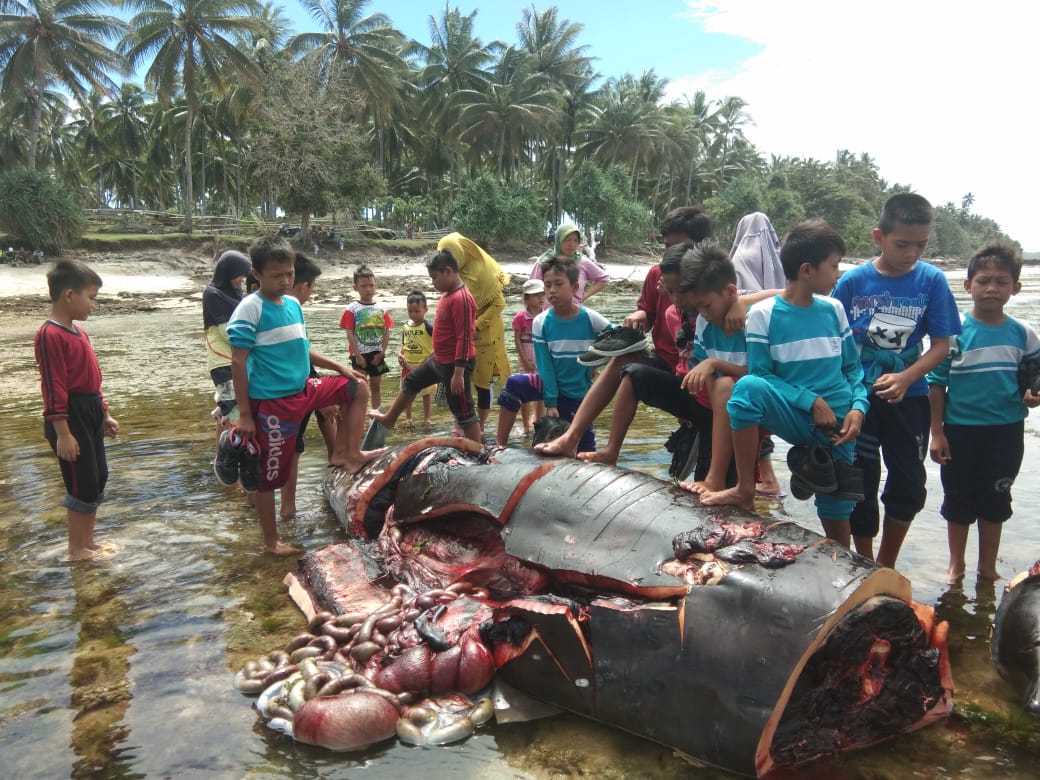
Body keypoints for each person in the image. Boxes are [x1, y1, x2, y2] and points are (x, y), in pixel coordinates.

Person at [698, 219, 868, 550]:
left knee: (835, 510)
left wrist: (859, 410)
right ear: (807, 269)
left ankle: (844, 573)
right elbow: (762, 374)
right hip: (795, 413)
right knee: (746, 390)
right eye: (833, 266)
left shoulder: (834, 310)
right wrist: (809, 400)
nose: (838, 275)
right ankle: (746, 487)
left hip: (841, 420)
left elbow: (853, 370)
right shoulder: (763, 315)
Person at [228, 236, 386, 554]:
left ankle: (349, 454)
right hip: (274, 403)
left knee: (358, 387)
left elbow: (303, 348)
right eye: (277, 275)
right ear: (257, 274)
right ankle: (271, 540)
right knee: (271, 474)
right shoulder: (250, 308)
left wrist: (341, 368)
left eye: (289, 274)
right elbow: (238, 361)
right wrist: (244, 414)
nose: (285, 280)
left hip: (305, 389)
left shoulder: (292, 305)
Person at [832, 193, 961, 568]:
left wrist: (906, 377)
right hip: (860, 397)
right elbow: (835, 338)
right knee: (861, 477)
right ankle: (864, 559)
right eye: (902, 244)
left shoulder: (931, 281)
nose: (912, 253)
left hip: (911, 395)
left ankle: (887, 563)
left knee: (907, 481)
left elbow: (941, 346)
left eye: (921, 245)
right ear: (879, 236)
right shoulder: (854, 282)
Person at [534, 206, 712, 459]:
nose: (670, 255)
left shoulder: (711, 281)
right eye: (666, 247)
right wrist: (641, 316)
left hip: (701, 372)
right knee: (623, 361)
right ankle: (578, 440)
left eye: (677, 247)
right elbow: (647, 314)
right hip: (668, 362)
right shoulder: (656, 274)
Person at [927, 243, 1040, 582]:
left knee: (996, 499)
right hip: (959, 430)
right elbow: (936, 384)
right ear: (968, 286)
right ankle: (956, 564)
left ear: (1015, 288)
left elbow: (1032, 376)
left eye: (1002, 282)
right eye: (984, 280)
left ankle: (987, 567)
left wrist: (1034, 395)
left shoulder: (1024, 334)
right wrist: (937, 432)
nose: (992, 288)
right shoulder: (952, 334)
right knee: (957, 498)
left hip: (1005, 432)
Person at [35, 259, 120, 560]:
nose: (93, 305)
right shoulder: (50, 334)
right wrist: (63, 433)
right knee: (80, 482)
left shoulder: (79, 333)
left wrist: (105, 412)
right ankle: (76, 549)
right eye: (91, 297)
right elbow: (54, 385)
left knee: (98, 478)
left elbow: (92, 379)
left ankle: (89, 542)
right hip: (68, 418)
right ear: (70, 295)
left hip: (90, 411)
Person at [496, 257, 611, 451]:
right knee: (514, 384)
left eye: (558, 284)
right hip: (550, 385)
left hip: (577, 392)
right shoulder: (541, 322)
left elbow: (619, 341)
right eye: (547, 285)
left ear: (575, 287)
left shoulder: (591, 319)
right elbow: (545, 366)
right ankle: (499, 446)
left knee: (585, 449)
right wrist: (550, 402)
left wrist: (594, 365)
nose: (551, 290)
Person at [370, 249, 481, 443]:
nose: (433, 282)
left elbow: (464, 337)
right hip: (438, 359)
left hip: (455, 364)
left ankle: (479, 453)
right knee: (411, 381)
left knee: (463, 410)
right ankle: (390, 419)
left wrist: (458, 373)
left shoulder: (461, 299)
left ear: (448, 271)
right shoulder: (448, 293)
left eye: (434, 277)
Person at [730, 211, 787, 495]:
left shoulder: (738, 258)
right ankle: (765, 480)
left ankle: (756, 482)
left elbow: (736, 299)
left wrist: (743, 302)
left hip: (745, 342)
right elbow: (786, 295)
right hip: (773, 344)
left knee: (749, 410)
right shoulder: (775, 259)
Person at [279, 253, 339, 518]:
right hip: (289, 388)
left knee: (285, 447)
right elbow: (299, 355)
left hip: (283, 387)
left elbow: (301, 351)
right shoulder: (290, 308)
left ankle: (264, 507)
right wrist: (320, 394)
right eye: (311, 288)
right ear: (304, 286)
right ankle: (288, 509)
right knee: (292, 447)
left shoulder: (275, 304)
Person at [437, 233, 511, 430]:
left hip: (486, 335)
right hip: (462, 337)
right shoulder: (451, 277)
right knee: (461, 382)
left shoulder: (483, 272)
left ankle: (482, 425)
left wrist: (476, 324)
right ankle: (460, 423)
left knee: (483, 383)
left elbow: (499, 303)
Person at [202, 250, 252, 454]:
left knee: (230, 406)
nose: (242, 279)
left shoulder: (236, 293)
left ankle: (223, 460)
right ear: (228, 272)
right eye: (240, 274)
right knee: (233, 410)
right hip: (223, 361)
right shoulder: (212, 294)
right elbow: (226, 331)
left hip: (237, 359)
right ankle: (228, 460)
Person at [339, 265, 393, 411]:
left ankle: (376, 416)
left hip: (378, 354)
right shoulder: (352, 308)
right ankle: (360, 418)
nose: (368, 289)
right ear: (355, 287)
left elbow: (387, 331)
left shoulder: (382, 308)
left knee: (376, 387)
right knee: (361, 388)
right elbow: (349, 332)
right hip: (359, 355)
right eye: (363, 286)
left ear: (376, 285)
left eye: (371, 285)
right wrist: (357, 355)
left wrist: (382, 352)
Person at [528, 223, 610, 304]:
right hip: (547, 314)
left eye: (575, 241)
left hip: (574, 314)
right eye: (568, 240)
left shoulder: (582, 261)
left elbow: (603, 279)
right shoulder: (545, 261)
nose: (572, 244)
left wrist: (584, 296)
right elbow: (531, 288)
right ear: (559, 240)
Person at [397, 290, 435, 431]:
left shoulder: (428, 327)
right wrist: (399, 353)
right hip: (408, 365)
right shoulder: (406, 326)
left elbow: (438, 343)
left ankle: (427, 419)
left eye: (416, 311)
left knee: (426, 393)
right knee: (407, 392)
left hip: (424, 366)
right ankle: (408, 418)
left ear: (425, 309)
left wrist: (431, 358)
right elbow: (404, 342)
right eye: (410, 311)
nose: (413, 314)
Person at [513, 278, 546, 433]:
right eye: (536, 295)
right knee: (525, 392)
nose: (541, 298)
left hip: (541, 357)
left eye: (542, 294)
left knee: (541, 391)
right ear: (526, 298)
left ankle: (539, 423)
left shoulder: (546, 315)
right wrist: (525, 360)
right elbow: (517, 340)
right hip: (526, 356)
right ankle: (526, 425)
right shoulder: (520, 317)